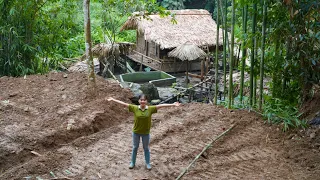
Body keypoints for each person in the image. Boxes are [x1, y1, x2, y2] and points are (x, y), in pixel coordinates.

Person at [107, 94, 181, 170]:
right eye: (141, 100)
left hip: (146, 133)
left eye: (144, 100)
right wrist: (113, 99)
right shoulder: (134, 108)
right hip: (136, 132)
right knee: (135, 147)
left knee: (146, 148)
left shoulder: (150, 109)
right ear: (139, 101)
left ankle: (148, 163)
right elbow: (124, 104)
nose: (142, 101)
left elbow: (161, 105)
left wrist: (173, 104)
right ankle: (132, 162)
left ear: (146, 101)